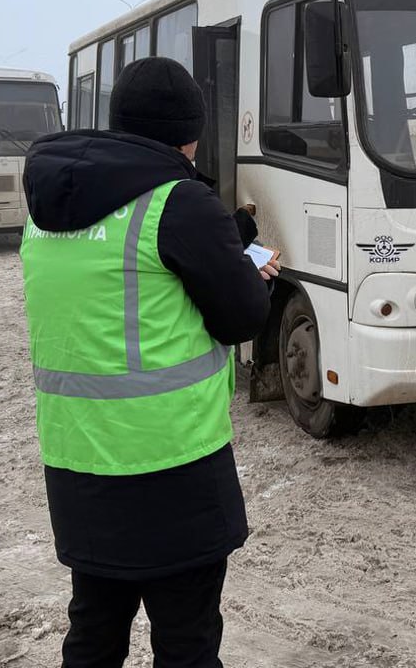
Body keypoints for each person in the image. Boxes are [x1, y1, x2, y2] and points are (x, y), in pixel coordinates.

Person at [20, 57, 276, 667]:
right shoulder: (180, 202)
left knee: (94, 633)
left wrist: (226, 235)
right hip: (172, 465)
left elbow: (125, 279)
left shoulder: (47, 208)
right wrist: (250, 271)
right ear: (189, 135)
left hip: (79, 463)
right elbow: (242, 317)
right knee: (186, 642)